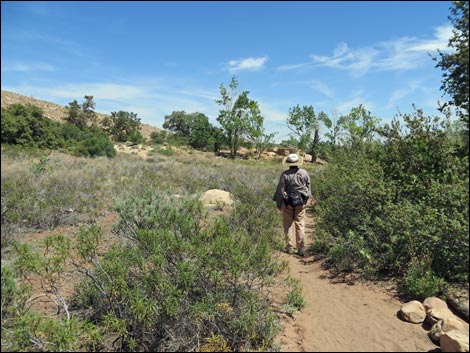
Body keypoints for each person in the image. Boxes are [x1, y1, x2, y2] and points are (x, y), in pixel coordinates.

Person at [273, 153, 311, 257]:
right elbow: (308, 188)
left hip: (287, 204)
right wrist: (305, 200)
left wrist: (278, 203)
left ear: (288, 163)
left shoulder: (285, 174)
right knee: (300, 224)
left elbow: (280, 190)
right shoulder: (304, 173)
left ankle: (289, 247)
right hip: (300, 203)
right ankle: (301, 248)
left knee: (287, 225)